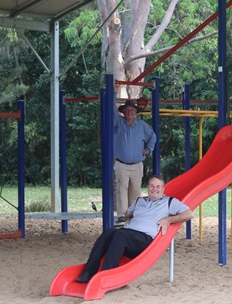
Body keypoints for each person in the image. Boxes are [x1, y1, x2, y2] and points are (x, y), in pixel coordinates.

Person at [76, 175, 194, 283]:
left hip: (145, 241)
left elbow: (189, 214)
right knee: (108, 233)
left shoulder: (169, 202)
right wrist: (128, 219)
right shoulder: (140, 201)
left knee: (119, 235)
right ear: (148, 187)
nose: (155, 189)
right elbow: (128, 212)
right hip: (128, 235)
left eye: (158, 186)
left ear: (163, 189)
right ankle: (88, 272)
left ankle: (107, 275)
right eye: (152, 186)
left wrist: (168, 220)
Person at [114, 95, 156, 225]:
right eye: (127, 110)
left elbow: (152, 137)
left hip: (137, 164)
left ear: (136, 112)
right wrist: (113, 92)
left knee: (135, 190)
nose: (129, 112)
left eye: (132, 110)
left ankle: (133, 214)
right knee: (121, 188)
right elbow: (110, 111)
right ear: (123, 112)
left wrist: (148, 149)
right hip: (121, 163)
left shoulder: (142, 125)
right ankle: (122, 214)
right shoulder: (118, 123)